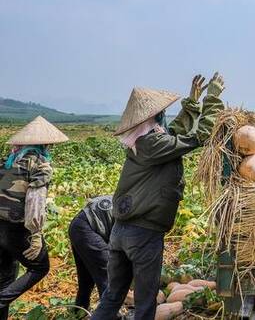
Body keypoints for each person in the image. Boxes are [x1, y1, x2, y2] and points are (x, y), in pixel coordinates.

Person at [91, 73, 224, 320]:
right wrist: (212, 99)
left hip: (120, 231)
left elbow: (173, 133)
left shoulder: (144, 142)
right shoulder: (151, 144)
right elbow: (196, 138)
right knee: (145, 302)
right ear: (153, 118)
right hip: (143, 235)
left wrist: (193, 103)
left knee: (113, 296)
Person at [0, 116, 68, 320]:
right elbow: (34, 202)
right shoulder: (40, 164)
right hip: (17, 228)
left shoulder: (8, 161)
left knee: (4, 278)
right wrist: (36, 233)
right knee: (40, 267)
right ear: (46, 143)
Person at [68, 195, 114, 313]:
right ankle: (109, 315)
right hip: (87, 227)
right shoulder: (140, 214)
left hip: (78, 225)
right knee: (108, 274)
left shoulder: (135, 199)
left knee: (86, 278)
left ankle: (79, 312)